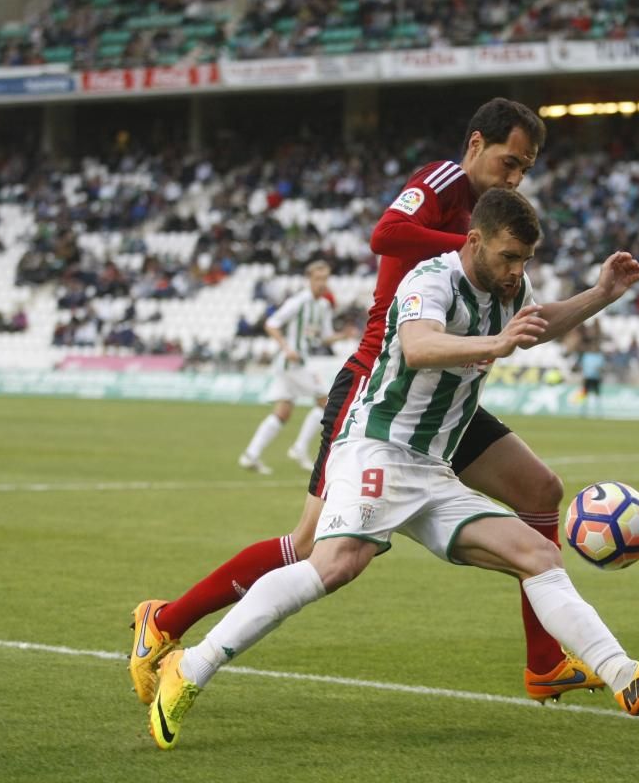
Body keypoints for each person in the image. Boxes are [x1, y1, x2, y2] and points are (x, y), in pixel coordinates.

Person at [147, 189, 639, 749]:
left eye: (525, 261)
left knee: (538, 555)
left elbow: (537, 322)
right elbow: (417, 346)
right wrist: (497, 341)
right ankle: (189, 668)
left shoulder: (512, 289)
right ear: (475, 241)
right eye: (509, 258)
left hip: (432, 469)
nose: (517, 272)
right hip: (378, 448)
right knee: (335, 563)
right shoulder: (430, 280)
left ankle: (625, 676)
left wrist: (602, 294)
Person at [130, 98, 598, 709]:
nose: (513, 178)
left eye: (524, 171)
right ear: (477, 143)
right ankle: (165, 621)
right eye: (509, 162)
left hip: (443, 399)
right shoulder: (443, 182)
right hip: (381, 389)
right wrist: (470, 242)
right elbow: (386, 233)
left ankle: (546, 663)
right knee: (309, 546)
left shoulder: (492, 223)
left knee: (540, 490)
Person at [238, 260, 354, 474]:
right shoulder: (299, 301)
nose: (322, 283)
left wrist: (342, 336)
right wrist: (286, 347)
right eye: (317, 279)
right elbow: (271, 324)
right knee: (326, 402)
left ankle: (250, 455)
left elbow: (324, 337)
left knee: (282, 412)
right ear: (308, 279)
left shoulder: (323, 306)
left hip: (298, 364)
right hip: (291, 362)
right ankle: (299, 448)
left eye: (325, 279)